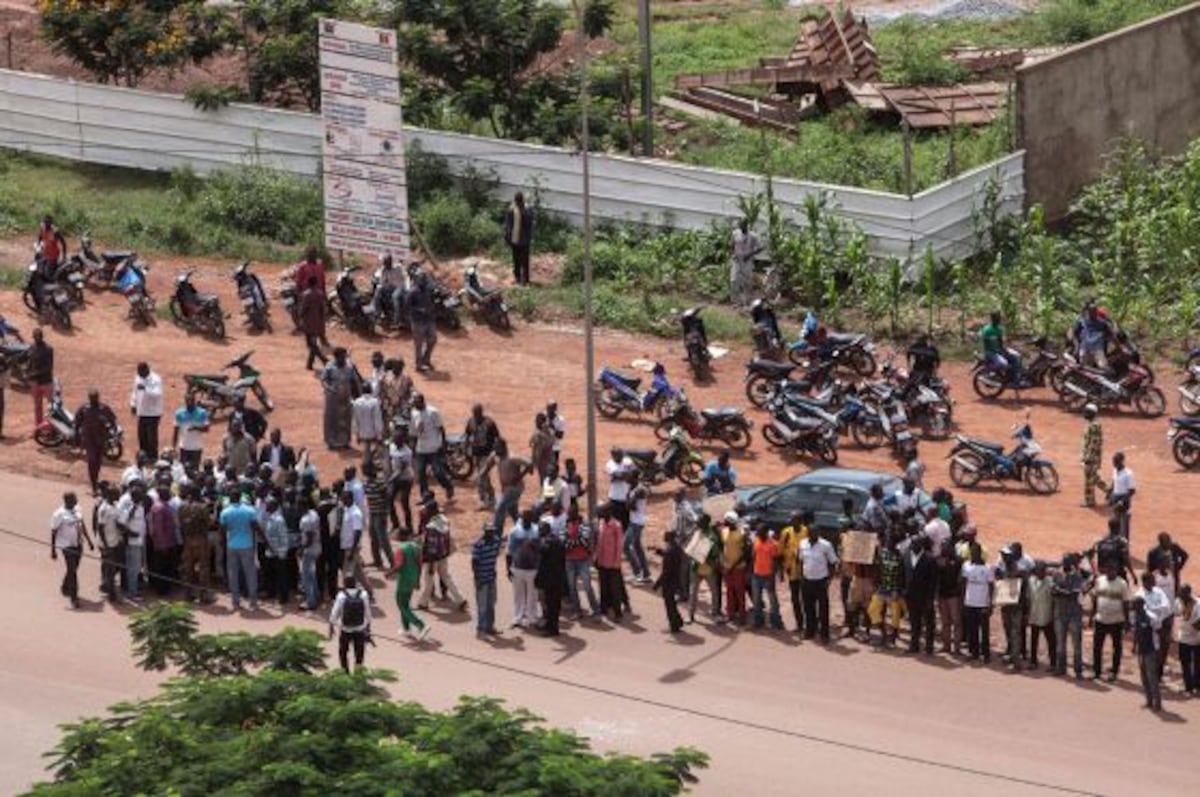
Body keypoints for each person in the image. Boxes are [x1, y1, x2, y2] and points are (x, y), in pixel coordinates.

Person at [416, 497, 467, 611]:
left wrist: (429, 564)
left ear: (431, 511)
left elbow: (432, 547)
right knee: (447, 578)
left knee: (428, 581)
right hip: (443, 555)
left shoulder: (431, 527)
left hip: (433, 559)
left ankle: (423, 603)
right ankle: (460, 599)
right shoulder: (444, 520)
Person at [219, 489, 262, 612]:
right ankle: (253, 602)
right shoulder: (249, 510)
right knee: (250, 573)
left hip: (231, 545)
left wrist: (222, 543)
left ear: (231, 498)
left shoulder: (225, 512)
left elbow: (222, 530)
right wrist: (265, 540)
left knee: (233, 574)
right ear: (239, 498)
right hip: (247, 545)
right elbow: (256, 527)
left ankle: (235, 602)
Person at [50, 491, 93, 608]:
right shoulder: (59, 514)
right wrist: (53, 550)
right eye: (73, 499)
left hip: (78, 544)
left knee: (73, 569)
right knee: (73, 571)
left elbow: (81, 524)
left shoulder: (78, 509)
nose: (76, 501)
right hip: (66, 545)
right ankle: (74, 598)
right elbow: (53, 531)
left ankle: (65, 586)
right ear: (67, 501)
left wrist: (89, 541)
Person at [1051, 552, 1090, 679]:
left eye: (1069, 562)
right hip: (1061, 612)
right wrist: (1066, 593)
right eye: (1065, 561)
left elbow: (1078, 591)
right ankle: (1060, 668)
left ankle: (1078, 670)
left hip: (1074, 613)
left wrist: (1062, 592)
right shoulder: (1057, 573)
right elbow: (1053, 591)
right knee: (1060, 643)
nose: (1066, 564)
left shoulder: (1078, 575)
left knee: (1076, 644)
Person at [800, 522, 840, 643]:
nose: (815, 534)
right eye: (812, 532)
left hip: (821, 581)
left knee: (823, 609)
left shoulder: (826, 545)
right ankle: (810, 631)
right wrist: (802, 576)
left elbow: (833, 563)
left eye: (817, 532)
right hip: (806, 580)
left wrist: (829, 580)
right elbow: (801, 560)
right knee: (808, 607)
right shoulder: (802, 544)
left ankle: (824, 635)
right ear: (808, 533)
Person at [410, 393, 454, 501]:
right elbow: (414, 433)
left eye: (416, 403)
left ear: (422, 402)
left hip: (433, 447)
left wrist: (443, 443)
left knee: (438, 472)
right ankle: (424, 496)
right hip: (421, 448)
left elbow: (441, 428)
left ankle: (448, 486)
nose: (414, 405)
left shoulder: (432, 412)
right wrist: (413, 447)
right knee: (420, 474)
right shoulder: (414, 413)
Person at [1091, 563, 1130, 682]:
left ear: (1116, 570)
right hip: (1100, 619)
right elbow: (1095, 599)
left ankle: (1114, 672)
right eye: (1108, 569)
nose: (1110, 571)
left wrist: (1126, 621)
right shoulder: (1099, 580)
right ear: (1105, 569)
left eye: (1113, 569)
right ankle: (1097, 672)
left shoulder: (1122, 584)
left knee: (1116, 648)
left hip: (1116, 621)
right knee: (1097, 647)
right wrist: (1092, 615)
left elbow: (1126, 603)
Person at [74, 389, 117, 495]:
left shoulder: (104, 409)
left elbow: (113, 420)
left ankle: (95, 480)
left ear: (98, 397)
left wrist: (113, 432)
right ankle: (94, 486)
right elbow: (77, 423)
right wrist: (76, 437)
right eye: (92, 398)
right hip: (89, 440)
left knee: (98, 462)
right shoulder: (84, 409)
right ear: (89, 398)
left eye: (95, 398)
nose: (94, 400)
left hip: (101, 439)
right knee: (91, 461)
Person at [389, 526, 428, 642]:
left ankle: (421, 625)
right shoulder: (416, 547)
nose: (395, 535)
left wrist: (389, 572)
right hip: (412, 579)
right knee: (405, 604)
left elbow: (399, 566)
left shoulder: (400, 549)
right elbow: (419, 565)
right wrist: (417, 580)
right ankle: (406, 629)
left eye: (396, 533)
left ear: (401, 536)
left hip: (403, 580)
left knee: (401, 605)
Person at [329, 574, 372, 672]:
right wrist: (368, 626)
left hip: (345, 629)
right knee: (359, 653)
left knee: (343, 652)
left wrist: (331, 626)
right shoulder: (363, 594)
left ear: (344, 584)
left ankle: (345, 672)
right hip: (360, 628)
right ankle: (358, 672)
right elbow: (368, 612)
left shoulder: (341, 595)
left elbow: (335, 612)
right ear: (356, 583)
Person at [507, 509, 542, 628]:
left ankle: (532, 618)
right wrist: (508, 569)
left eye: (528, 518)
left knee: (533, 595)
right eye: (524, 518)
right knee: (518, 595)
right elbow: (509, 552)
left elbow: (540, 550)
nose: (526, 521)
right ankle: (518, 617)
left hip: (533, 568)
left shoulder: (537, 530)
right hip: (518, 567)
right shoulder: (515, 531)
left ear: (532, 519)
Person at [686, 514, 724, 625]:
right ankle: (690, 615)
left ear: (705, 523)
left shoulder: (711, 536)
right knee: (693, 592)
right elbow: (691, 548)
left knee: (714, 592)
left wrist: (701, 555)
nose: (697, 524)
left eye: (700, 522)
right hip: (696, 568)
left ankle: (715, 613)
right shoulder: (698, 532)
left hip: (708, 569)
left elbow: (715, 553)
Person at [960, 541, 994, 662]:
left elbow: (991, 586)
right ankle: (973, 652)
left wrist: (990, 604)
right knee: (971, 629)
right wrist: (962, 600)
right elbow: (964, 584)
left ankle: (986, 654)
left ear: (980, 553)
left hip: (982, 603)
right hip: (970, 602)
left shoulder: (988, 568)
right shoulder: (966, 566)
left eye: (976, 552)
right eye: (972, 552)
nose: (974, 554)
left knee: (984, 631)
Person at [903, 536, 937, 655]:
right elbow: (904, 574)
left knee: (929, 623)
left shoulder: (930, 558)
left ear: (921, 545)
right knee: (914, 621)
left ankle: (929, 648)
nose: (913, 546)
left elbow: (933, 582)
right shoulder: (906, 555)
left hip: (925, 596)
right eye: (912, 543)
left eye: (916, 544)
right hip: (910, 595)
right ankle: (914, 645)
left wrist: (930, 598)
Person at [321, 348, 359, 450]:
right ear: (336, 357)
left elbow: (354, 380)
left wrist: (357, 394)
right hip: (332, 398)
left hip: (346, 397)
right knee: (331, 419)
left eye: (345, 356)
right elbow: (323, 380)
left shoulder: (349, 366)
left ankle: (345, 441)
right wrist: (329, 388)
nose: (344, 359)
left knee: (346, 419)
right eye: (342, 357)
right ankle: (331, 442)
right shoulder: (329, 366)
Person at [116, 481, 149, 600]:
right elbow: (120, 524)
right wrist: (131, 534)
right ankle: (132, 593)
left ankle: (133, 589)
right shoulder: (131, 509)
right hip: (133, 542)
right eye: (140, 495)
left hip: (139, 541)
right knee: (133, 568)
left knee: (136, 567)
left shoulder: (140, 507)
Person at [594, 503, 626, 621]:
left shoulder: (616, 525)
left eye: (602, 512)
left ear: (608, 512)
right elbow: (599, 543)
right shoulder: (602, 523)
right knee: (603, 587)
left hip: (612, 562)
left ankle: (618, 613)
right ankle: (604, 609)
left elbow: (619, 546)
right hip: (602, 561)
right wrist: (596, 558)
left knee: (614, 589)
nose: (600, 514)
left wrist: (616, 562)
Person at [93, 483, 125, 601]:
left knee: (111, 566)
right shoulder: (104, 509)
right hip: (107, 543)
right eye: (117, 494)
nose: (119, 496)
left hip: (115, 540)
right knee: (110, 567)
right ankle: (112, 594)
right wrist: (106, 545)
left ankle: (106, 583)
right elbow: (100, 527)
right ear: (111, 495)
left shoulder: (115, 505)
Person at [492, 439, 532, 533]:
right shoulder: (497, 457)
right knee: (513, 511)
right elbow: (490, 461)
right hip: (505, 488)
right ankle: (522, 528)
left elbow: (529, 464)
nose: (495, 450)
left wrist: (519, 477)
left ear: (503, 447)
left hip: (515, 488)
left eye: (497, 448)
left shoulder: (512, 458)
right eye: (495, 448)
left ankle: (496, 534)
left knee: (500, 508)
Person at [465, 404, 500, 509]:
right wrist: (467, 448)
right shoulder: (471, 421)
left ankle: (484, 499)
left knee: (482, 476)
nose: (476, 415)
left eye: (477, 413)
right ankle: (491, 496)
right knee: (484, 477)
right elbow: (467, 434)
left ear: (481, 412)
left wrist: (495, 452)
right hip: (476, 453)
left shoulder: (489, 423)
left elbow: (497, 438)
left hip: (487, 454)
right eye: (474, 413)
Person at [471, 523, 503, 637]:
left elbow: (496, 553)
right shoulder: (478, 545)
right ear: (484, 532)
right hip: (482, 579)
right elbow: (474, 564)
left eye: (492, 531)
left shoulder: (495, 541)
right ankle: (480, 629)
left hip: (491, 578)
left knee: (491, 603)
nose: (491, 533)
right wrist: (477, 580)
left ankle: (489, 627)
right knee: (482, 606)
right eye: (489, 531)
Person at [536, 522, 567, 636]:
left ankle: (553, 629)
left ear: (545, 530)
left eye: (540, 530)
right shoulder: (557, 540)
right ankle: (549, 625)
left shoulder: (548, 542)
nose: (538, 532)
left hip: (551, 580)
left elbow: (542, 551)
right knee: (552, 604)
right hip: (557, 578)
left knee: (552, 605)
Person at [750, 524, 783, 630]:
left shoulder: (773, 544)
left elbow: (776, 561)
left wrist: (773, 576)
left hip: (768, 576)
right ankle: (758, 620)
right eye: (757, 532)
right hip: (756, 574)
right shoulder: (756, 541)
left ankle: (775, 621)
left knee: (772, 600)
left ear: (765, 532)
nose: (758, 534)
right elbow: (753, 556)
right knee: (756, 599)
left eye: (760, 532)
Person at [129, 362, 164, 462]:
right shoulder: (138, 378)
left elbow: (158, 394)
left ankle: (153, 456)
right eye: (138, 373)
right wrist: (133, 404)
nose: (139, 375)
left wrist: (145, 389)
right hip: (142, 411)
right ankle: (143, 456)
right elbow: (134, 392)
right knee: (141, 435)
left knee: (151, 437)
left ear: (147, 370)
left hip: (153, 413)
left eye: (141, 373)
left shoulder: (156, 379)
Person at [1131, 596, 1161, 710]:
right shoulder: (1135, 616)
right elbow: (1136, 632)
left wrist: (1158, 650)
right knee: (1143, 676)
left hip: (1151, 650)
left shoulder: (1151, 617)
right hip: (1141, 650)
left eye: (1134, 605)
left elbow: (1158, 633)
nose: (1132, 607)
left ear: (1141, 605)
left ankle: (1157, 702)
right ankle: (1149, 700)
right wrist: (1134, 646)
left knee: (1152, 677)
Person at [653, 531, 686, 633]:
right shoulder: (677, 548)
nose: (664, 537)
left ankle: (674, 626)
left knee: (669, 605)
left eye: (666, 536)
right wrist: (660, 552)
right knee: (672, 603)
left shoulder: (670, 551)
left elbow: (666, 572)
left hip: (669, 583)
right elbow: (670, 557)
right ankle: (678, 621)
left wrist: (657, 584)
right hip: (676, 580)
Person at [1026, 560, 1056, 670]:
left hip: (1047, 616)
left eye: (1042, 571)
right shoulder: (1031, 581)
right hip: (1034, 614)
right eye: (1038, 571)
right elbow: (1028, 598)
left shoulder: (1050, 582)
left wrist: (1053, 615)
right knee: (1034, 640)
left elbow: (1054, 601)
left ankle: (1053, 663)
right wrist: (1027, 613)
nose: (1041, 573)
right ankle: (1033, 662)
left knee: (1051, 641)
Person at [934, 540, 962, 655]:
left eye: (946, 546)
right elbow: (935, 578)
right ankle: (946, 646)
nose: (944, 549)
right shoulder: (938, 560)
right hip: (942, 595)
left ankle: (956, 648)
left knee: (956, 622)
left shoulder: (958, 561)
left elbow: (961, 579)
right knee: (945, 622)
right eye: (942, 546)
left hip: (954, 596)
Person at [361, 463, 392, 569]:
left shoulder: (379, 482)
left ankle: (393, 562)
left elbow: (387, 497)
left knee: (383, 539)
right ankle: (377, 560)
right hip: (372, 512)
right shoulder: (365, 481)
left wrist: (385, 512)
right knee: (373, 536)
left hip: (380, 513)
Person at [721, 513, 749, 625]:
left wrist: (732, 566)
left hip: (738, 567)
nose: (724, 522)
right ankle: (730, 614)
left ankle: (742, 615)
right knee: (729, 591)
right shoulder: (724, 532)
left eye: (726, 521)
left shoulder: (741, 534)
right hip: (727, 567)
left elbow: (745, 553)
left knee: (739, 592)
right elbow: (724, 547)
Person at [407, 272, 438, 372]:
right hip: (417, 321)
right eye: (422, 280)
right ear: (418, 281)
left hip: (429, 319)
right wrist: (419, 309)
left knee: (433, 340)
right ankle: (419, 365)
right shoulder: (413, 292)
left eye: (425, 280)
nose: (424, 282)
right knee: (419, 344)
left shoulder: (429, 290)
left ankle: (426, 359)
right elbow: (407, 306)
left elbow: (434, 299)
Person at [387, 425, 415, 533]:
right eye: (394, 439)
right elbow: (389, 458)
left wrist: (389, 479)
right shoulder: (392, 446)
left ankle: (409, 526)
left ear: (403, 440)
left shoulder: (407, 452)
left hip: (405, 479)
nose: (395, 441)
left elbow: (400, 470)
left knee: (404, 502)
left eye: (397, 440)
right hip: (395, 478)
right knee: (389, 500)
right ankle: (395, 524)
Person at [979, 311, 1020, 382]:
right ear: (992, 319)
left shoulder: (1000, 329)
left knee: (1016, 357)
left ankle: (1014, 378)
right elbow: (985, 342)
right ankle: (991, 373)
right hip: (991, 352)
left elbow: (1001, 341)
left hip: (1000, 351)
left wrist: (1006, 350)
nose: (998, 320)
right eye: (996, 318)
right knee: (1003, 364)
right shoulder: (987, 330)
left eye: (998, 318)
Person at [1071, 301, 1114, 368]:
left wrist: (1105, 341)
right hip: (1085, 348)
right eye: (1091, 311)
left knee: (1103, 366)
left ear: (1096, 312)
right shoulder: (1082, 321)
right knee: (1083, 366)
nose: (1093, 313)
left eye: (1094, 311)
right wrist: (1077, 346)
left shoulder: (1102, 323)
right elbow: (1074, 334)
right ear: (1088, 312)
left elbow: (1110, 334)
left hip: (1098, 349)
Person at [173, 394, 210, 470]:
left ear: (194, 401)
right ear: (185, 402)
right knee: (183, 469)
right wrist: (173, 447)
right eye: (188, 401)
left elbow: (207, 429)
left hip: (196, 447)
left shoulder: (202, 413)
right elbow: (176, 431)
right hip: (184, 446)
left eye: (191, 401)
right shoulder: (179, 413)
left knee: (195, 469)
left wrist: (196, 428)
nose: (190, 403)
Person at [1079, 403, 1106, 508]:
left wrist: (1088, 458)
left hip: (1092, 457)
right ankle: (1109, 491)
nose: (1084, 414)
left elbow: (1093, 443)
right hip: (1093, 456)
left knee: (1089, 480)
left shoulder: (1093, 426)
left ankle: (1090, 501)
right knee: (1093, 477)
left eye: (1087, 412)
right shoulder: (1093, 424)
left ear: (1092, 413)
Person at [299, 276, 328, 370]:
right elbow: (323, 309)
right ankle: (309, 364)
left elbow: (303, 310)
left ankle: (324, 360)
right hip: (318, 323)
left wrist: (300, 318)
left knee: (311, 344)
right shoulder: (320, 294)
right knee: (313, 343)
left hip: (308, 323)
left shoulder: (306, 294)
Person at [504, 191, 533, 285]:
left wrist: (507, 237)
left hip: (519, 240)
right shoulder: (522, 210)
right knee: (520, 260)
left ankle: (522, 279)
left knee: (520, 260)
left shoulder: (521, 210)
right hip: (520, 240)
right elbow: (508, 226)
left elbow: (508, 226)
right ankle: (521, 278)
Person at [298, 495, 322, 610]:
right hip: (317, 547)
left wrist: (301, 549)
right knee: (312, 574)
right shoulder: (314, 513)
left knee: (306, 576)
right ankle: (316, 596)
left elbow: (309, 538)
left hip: (309, 550)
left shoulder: (306, 520)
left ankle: (310, 601)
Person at [729, 219, 760, 307]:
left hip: (747, 260)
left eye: (743, 225)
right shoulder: (735, 233)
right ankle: (736, 301)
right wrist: (732, 253)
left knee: (747, 281)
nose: (741, 227)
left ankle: (747, 301)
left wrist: (750, 254)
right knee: (734, 280)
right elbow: (731, 244)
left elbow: (760, 247)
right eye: (740, 225)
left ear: (746, 225)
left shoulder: (753, 236)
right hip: (737, 260)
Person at [351, 384, 385, 463]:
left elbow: (355, 419)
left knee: (366, 449)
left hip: (362, 431)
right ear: (371, 391)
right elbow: (377, 419)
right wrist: (379, 434)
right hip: (373, 431)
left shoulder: (357, 402)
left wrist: (357, 434)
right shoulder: (374, 402)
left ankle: (366, 463)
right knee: (375, 449)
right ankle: (369, 464)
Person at [1176, 583, 1200, 695]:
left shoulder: (1197, 604)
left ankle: (1197, 686)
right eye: (1180, 593)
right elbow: (1175, 613)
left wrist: (1194, 627)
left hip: (1196, 638)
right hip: (1183, 638)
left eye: (1183, 593)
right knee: (1185, 663)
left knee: (1197, 663)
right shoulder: (1179, 602)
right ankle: (1188, 687)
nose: (1180, 595)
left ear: (1188, 593)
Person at [624, 484, 650, 583]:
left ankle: (637, 571)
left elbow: (631, 507)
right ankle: (645, 573)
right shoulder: (634, 489)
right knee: (637, 547)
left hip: (636, 523)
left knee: (626, 546)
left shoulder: (640, 490)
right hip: (635, 521)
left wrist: (628, 496)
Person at [29, 328, 54, 428]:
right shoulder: (31, 347)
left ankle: (51, 426)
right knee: (37, 406)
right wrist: (28, 374)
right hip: (35, 382)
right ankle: (39, 427)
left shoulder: (48, 349)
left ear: (41, 337)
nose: (36, 339)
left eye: (37, 337)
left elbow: (49, 367)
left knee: (50, 406)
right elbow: (30, 363)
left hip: (46, 381)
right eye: (35, 337)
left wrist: (34, 374)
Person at [605, 448, 634, 529]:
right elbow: (618, 475)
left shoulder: (627, 461)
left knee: (627, 524)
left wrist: (623, 475)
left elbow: (634, 472)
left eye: (622, 454)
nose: (621, 457)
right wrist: (626, 474)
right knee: (616, 525)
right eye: (619, 455)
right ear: (613, 456)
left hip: (626, 499)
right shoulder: (610, 465)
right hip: (615, 499)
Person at [1108, 451, 1135, 541]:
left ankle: (1125, 551)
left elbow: (1132, 490)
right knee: (1115, 526)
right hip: (1115, 499)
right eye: (1114, 462)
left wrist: (1122, 501)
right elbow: (1113, 483)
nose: (1114, 464)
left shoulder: (1128, 473)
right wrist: (1109, 494)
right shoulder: (1115, 471)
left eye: (1116, 462)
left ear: (1122, 461)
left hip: (1124, 502)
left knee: (1124, 528)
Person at [528, 412, 555, 485]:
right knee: (545, 481)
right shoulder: (539, 432)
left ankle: (547, 495)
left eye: (537, 421)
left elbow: (550, 442)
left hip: (545, 461)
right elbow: (530, 443)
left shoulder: (544, 433)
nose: (535, 422)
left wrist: (534, 463)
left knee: (546, 482)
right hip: (545, 460)